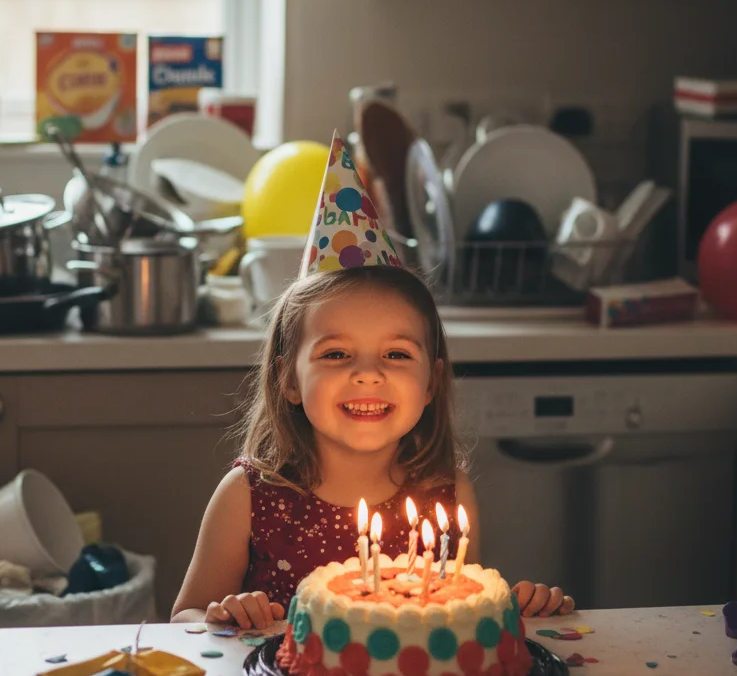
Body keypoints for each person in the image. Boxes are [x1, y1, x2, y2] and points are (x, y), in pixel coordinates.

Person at [171, 262, 575, 629]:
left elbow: (463, 617)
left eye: (396, 353)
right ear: (290, 380)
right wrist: (223, 615)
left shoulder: (447, 495)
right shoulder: (249, 495)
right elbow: (184, 619)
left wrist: (514, 609)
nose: (367, 374)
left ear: (431, 382)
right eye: (337, 354)